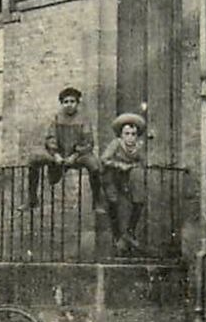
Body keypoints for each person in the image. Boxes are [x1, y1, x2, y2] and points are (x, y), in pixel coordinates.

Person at [28, 87, 103, 206]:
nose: (69, 105)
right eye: (66, 102)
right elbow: (51, 137)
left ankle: (97, 201)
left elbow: (88, 141)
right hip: (59, 154)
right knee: (33, 160)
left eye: (72, 101)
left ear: (77, 103)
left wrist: (75, 155)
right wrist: (56, 154)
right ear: (62, 104)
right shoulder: (56, 118)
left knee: (94, 165)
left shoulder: (84, 119)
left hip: (78, 155)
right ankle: (32, 199)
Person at [101, 113, 148, 253]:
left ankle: (130, 230)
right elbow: (104, 159)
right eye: (126, 133)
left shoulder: (137, 147)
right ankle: (117, 236)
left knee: (138, 201)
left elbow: (142, 161)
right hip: (112, 176)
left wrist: (137, 165)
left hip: (127, 178)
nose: (130, 137)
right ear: (121, 135)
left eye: (133, 134)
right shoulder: (116, 144)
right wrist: (118, 165)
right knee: (113, 202)